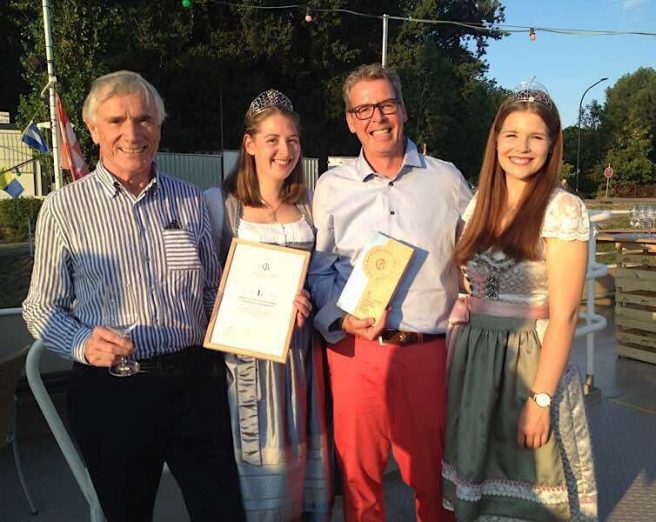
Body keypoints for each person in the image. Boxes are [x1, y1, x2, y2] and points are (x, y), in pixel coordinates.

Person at [22, 70, 245, 522]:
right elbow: (40, 306)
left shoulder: (189, 202)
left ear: (159, 127)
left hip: (194, 383)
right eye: (117, 120)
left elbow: (210, 291)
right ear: (94, 129)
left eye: (144, 119)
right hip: (113, 391)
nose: (132, 132)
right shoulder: (64, 208)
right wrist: (82, 343)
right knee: (126, 513)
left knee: (222, 511)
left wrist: (260, 312)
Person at [309, 63, 472, 521]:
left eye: (386, 105)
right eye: (363, 109)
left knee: (431, 480)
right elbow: (318, 272)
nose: (376, 118)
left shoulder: (447, 181)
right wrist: (340, 320)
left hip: (426, 353)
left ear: (402, 110)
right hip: (355, 354)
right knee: (359, 483)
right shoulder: (330, 187)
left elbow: (478, 255)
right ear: (349, 120)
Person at [442, 84, 598, 521]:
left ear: (552, 145)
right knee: (478, 486)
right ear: (495, 140)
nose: (522, 147)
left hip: (530, 363)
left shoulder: (562, 209)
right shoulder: (477, 207)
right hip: (476, 364)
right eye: (511, 135)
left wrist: (541, 400)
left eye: (536, 137)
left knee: (530, 487)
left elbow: (565, 315)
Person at [203, 89, 333, 521]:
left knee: (304, 463)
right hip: (246, 363)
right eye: (273, 139)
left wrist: (306, 302)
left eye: (293, 140)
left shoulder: (309, 205)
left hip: (301, 358)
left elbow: (320, 276)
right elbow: (203, 289)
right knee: (257, 466)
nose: (285, 150)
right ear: (250, 144)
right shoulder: (219, 206)